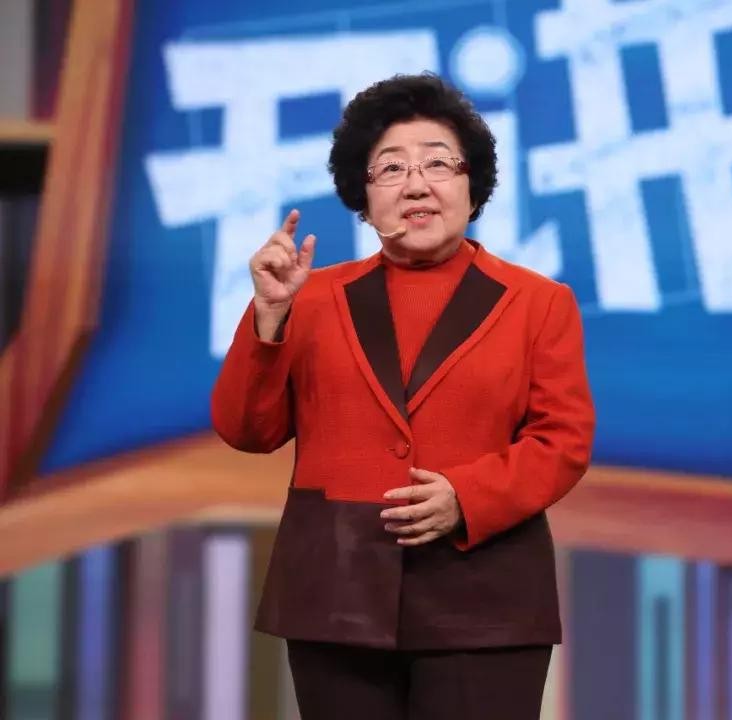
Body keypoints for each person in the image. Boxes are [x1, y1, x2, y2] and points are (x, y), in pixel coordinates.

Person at [210, 72, 595, 719]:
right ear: (363, 198)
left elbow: (563, 442)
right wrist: (268, 318)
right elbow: (247, 430)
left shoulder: (539, 302)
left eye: (438, 164)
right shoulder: (311, 298)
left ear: (473, 185)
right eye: (391, 168)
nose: (416, 184)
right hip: (336, 594)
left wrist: (467, 498)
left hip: (484, 597)